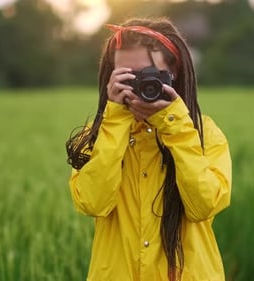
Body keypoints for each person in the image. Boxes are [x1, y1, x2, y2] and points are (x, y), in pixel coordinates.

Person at [66, 17, 232, 281]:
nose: (140, 84)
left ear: (172, 73)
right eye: (126, 75)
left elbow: (203, 206)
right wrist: (116, 121)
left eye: (147, 75)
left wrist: (174, 125)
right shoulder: (98, 134)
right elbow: (92, 202)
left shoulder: (204, 134)